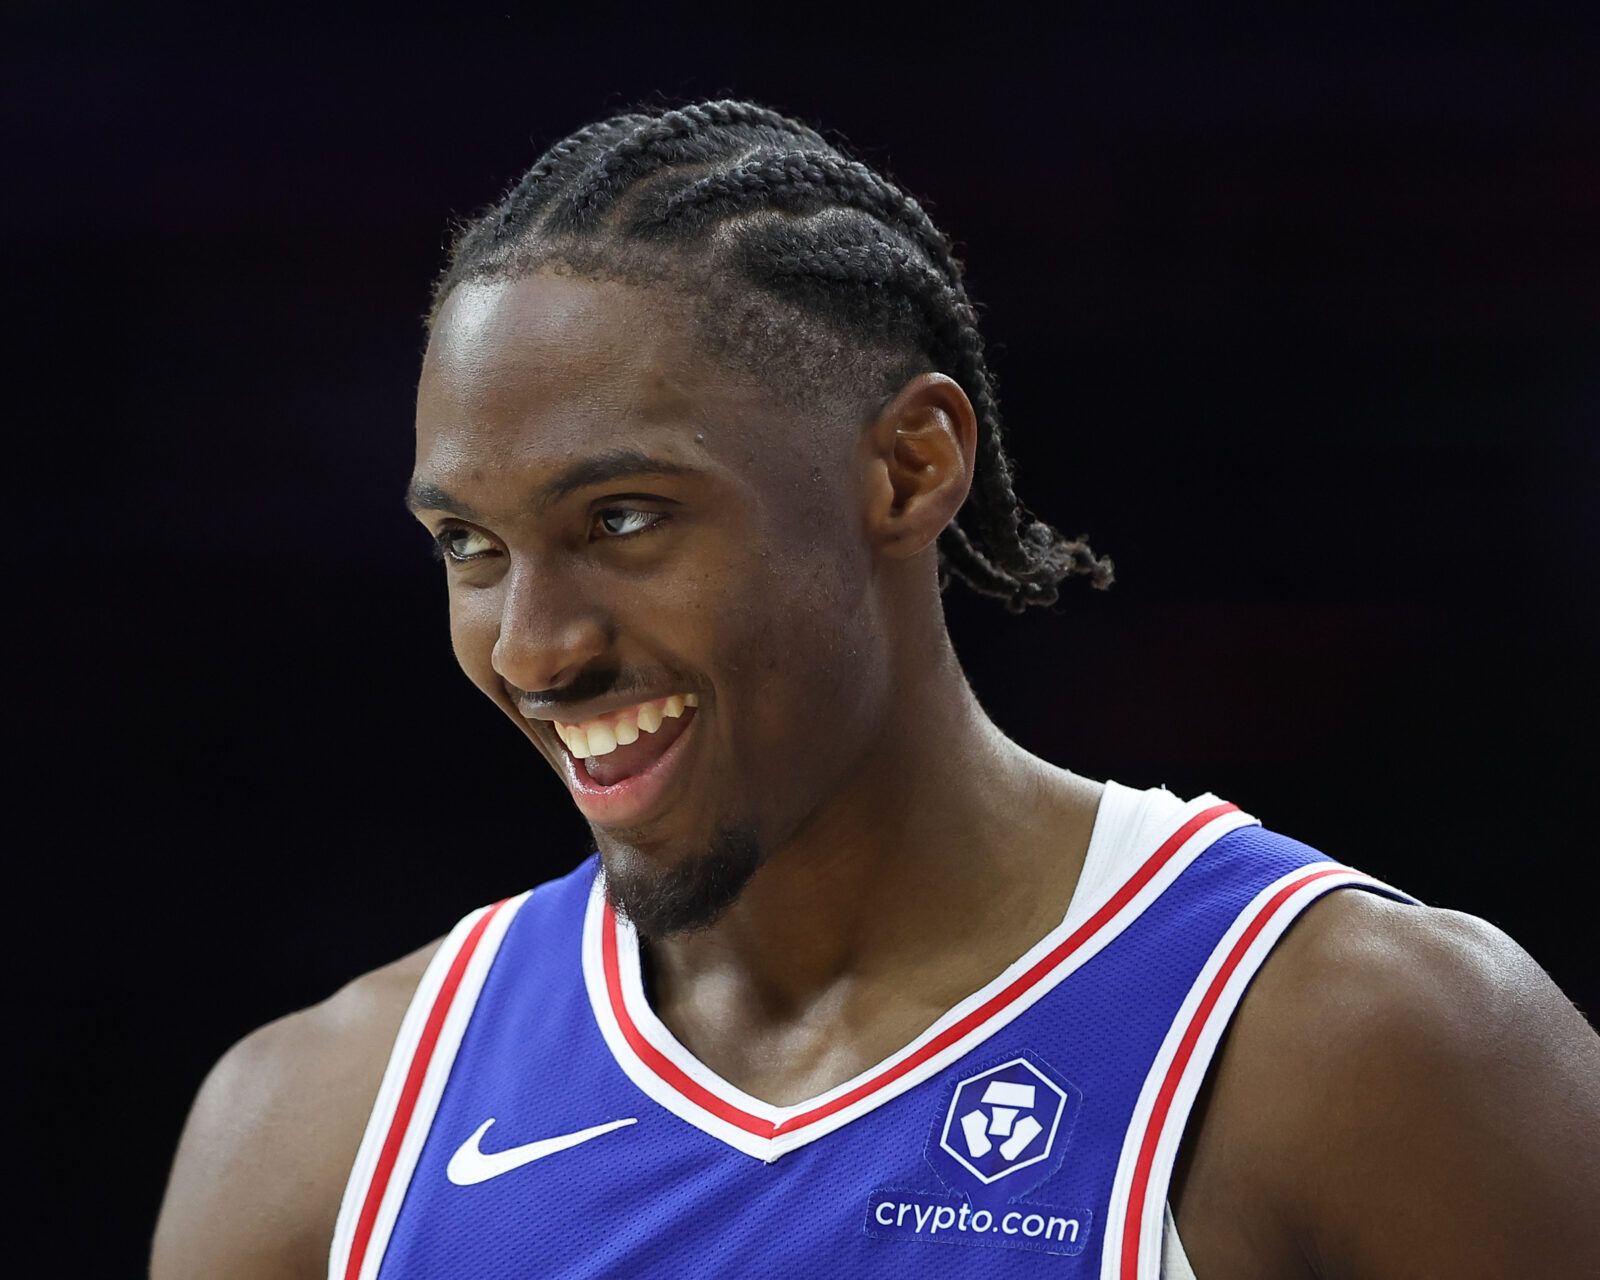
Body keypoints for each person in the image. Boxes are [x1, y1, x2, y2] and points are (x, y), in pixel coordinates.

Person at [150, 99, 1600, 1279]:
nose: (536, 648)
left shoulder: (1363, 1052)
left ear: (910, 467)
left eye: (626, 520)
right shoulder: (319, 1136)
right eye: (469, 545)